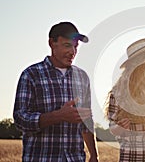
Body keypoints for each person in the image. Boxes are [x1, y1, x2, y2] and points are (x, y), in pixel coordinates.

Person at [13, 22, 99, 162]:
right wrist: (58, 116)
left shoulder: (82, 77)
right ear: (52, 43)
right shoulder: (31, 75)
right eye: (67, 45)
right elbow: (20, 119)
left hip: (76, 159)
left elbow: (86, 121)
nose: (72, 51)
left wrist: (94, 155)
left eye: (75, 47)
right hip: (41, 158)